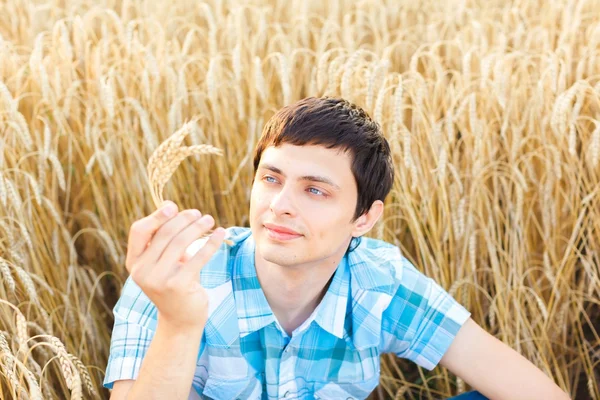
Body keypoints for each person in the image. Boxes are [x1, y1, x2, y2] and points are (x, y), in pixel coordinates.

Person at [102, 97, 570, 400]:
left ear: (364, 218)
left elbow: (524, 384)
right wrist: (180, 323)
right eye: (271, 179)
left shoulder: (378, 279)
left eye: (316, 190)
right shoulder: (176, 277)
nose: (279, 206)